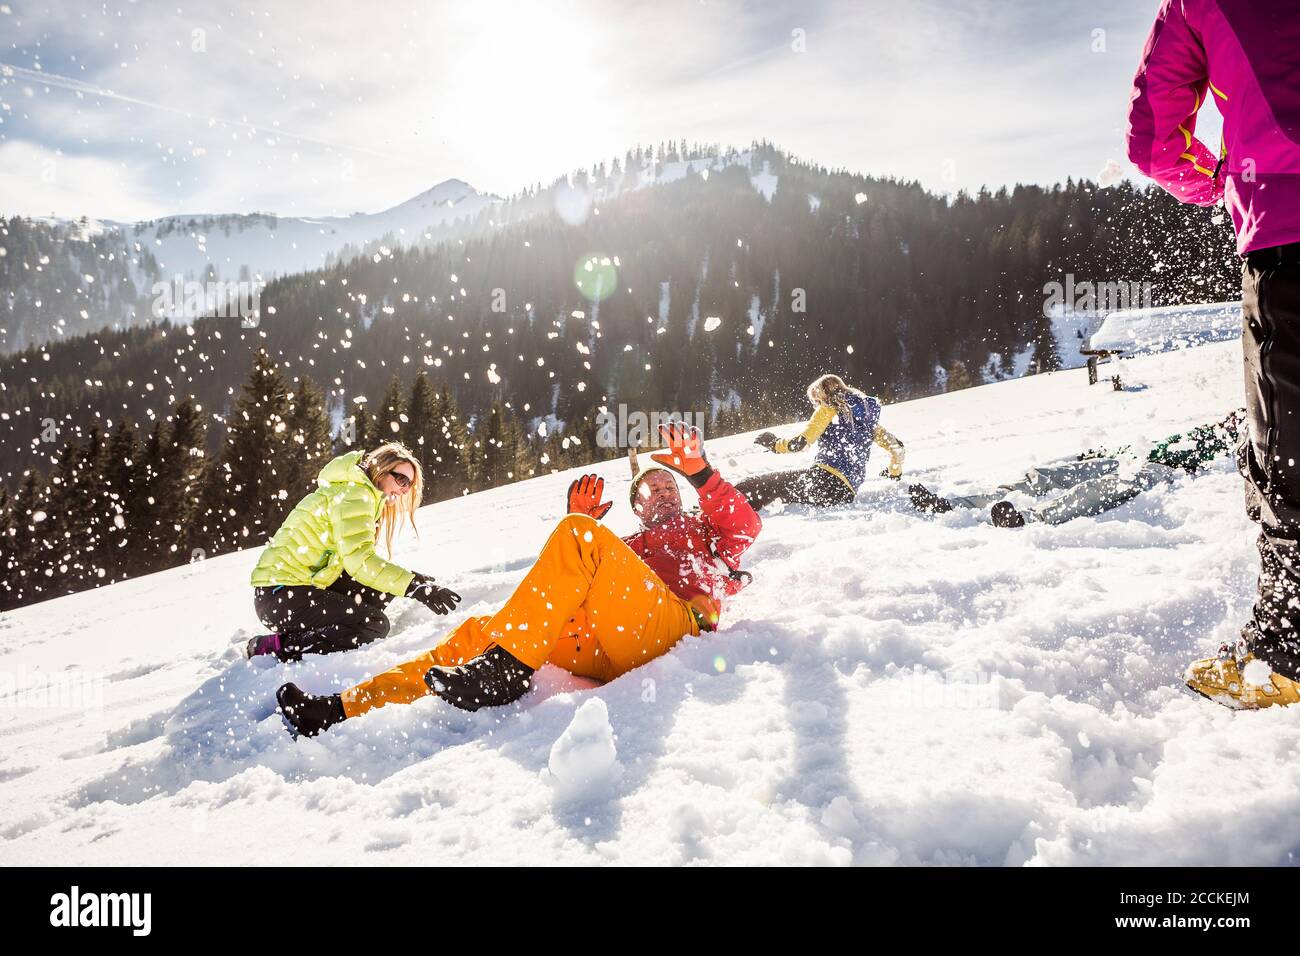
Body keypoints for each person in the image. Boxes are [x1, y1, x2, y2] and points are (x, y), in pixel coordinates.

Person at [275, 422, 761, 737]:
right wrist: (584, 527)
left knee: (577, 537)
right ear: (635, 508)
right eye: (650, 491)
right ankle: (338, 710)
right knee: (480, 632)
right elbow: (584, 585)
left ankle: (504, 673)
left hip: (678, 631)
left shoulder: (704, 530)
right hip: (612, 649)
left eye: (667, 485)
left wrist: (699, 474)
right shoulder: (629, 549)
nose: (662, 494)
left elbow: (746, 527)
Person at [1126, 1, 1300, 708]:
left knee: (1289, 450)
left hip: (1287, 230)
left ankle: (1287, 652)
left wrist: (1224, 179)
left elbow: (1158, 143)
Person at [245, 442, 460, 662]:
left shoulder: (356, 489)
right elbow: (360, 561)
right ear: (382, 470)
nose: (404, 489)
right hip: (280, 596)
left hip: (290, 592)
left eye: (409, 485)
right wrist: (413, 585)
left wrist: (413, 580)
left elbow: (357, 562)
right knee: (374, 625)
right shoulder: (355, 494)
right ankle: (277, 646)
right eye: (401, 480)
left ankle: (320, 631)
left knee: (382, 591)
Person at [908, 411, 1244, 528]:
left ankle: (1032, 518)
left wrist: (1235, 429)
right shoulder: (1207, 426)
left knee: (1101, 487)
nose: (1229, 420)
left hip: (1160, 470)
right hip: (1128, 455)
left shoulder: (1232, 434)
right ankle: (955, 505)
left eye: (1234, 420)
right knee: (1044, 475)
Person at [737, 373, 905, 510]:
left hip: (823, 482)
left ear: (822, 394)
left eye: (816, 400)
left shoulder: (828, 408)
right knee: (779, 490)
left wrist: (774, 444)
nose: (815, 405)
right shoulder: (869, 422)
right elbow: (897, 447)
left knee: (756, 486)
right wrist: (894, 471)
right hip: (847, 492)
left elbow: (800, 443)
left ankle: (729, 509)